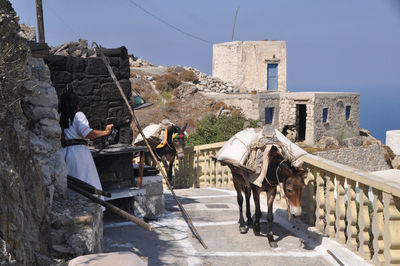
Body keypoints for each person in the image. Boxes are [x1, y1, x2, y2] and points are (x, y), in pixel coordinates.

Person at [59, 89, 113, 195]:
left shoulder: (59, 116)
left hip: (63, 152)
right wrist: (105, 132)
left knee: (71, 185)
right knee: (86, 182)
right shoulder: (78, 116)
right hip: (78, 154)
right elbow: (87, 134)